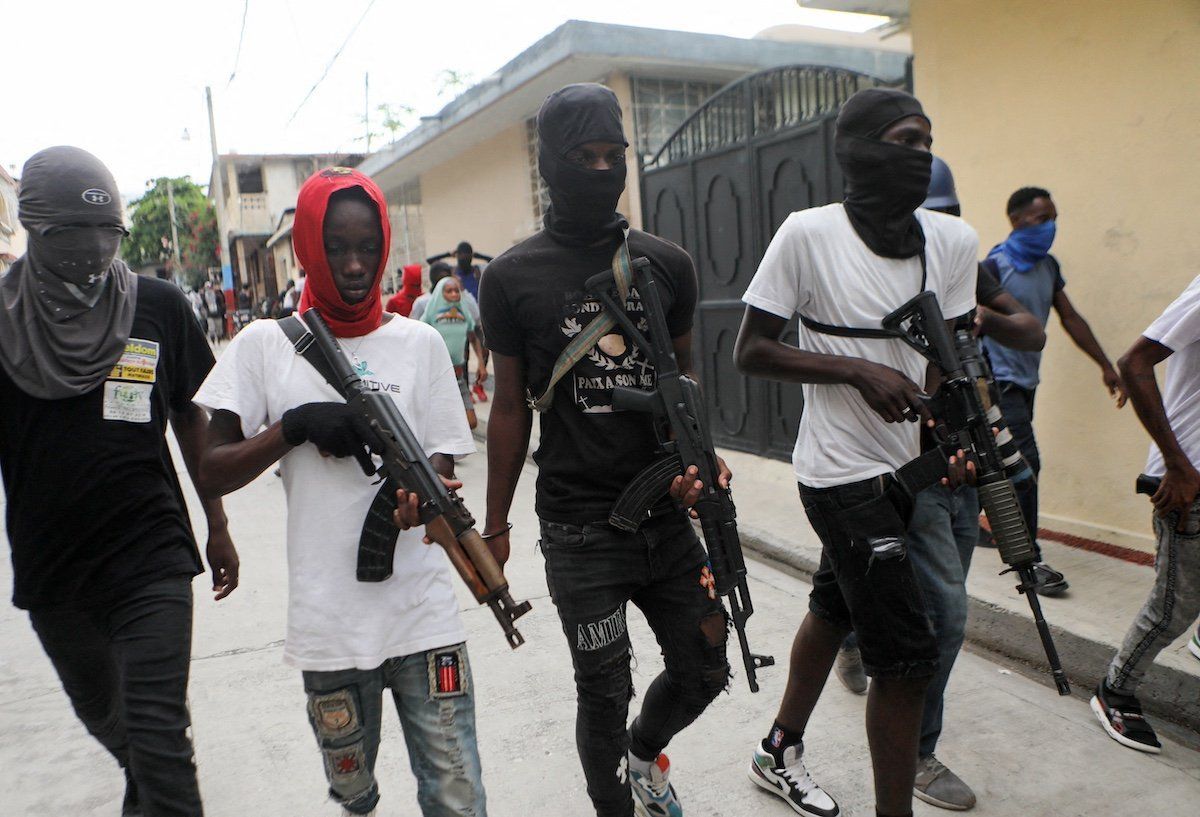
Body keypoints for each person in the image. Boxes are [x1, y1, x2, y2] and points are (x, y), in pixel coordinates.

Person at [194, 167, 485, 817]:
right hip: (330, 626)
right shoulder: (265, 347)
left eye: (367, 248)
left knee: (459, 798)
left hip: (423, 614)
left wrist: (421, 499)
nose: (355, 264)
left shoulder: (421, 343)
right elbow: (211, 469)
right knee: (355, 799)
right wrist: (293, 427)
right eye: (336, 248)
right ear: (308, 248)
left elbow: (436, 459)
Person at [480, 82, 730, 817]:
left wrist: (696, 458)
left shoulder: (667, 264)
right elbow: (506, 409)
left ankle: (643, 750)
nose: (598, 170)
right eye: (580, 156)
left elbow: (685, 376)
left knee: (705, 664)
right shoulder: (510, 277)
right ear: (549, 164)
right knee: (603, 686)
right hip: (578, 526)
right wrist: (495, 527)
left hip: (664, 514)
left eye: (610, 156)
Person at [734, 88, 978, 817]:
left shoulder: (953, 243)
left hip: (909, 471)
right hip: (838, 472)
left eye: (928, 141)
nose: (921, 155)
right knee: (905, 659)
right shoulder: (807, 234)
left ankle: (778, 748)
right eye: (904, 140)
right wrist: (855, 367)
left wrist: (954, 431)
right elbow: (751, 349)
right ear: (859, 150)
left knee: (832, 609)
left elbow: (951, 355)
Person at [0, 146, 239, 817]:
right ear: (33, 229)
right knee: (113, 723)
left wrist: (216, 523)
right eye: (71, 235)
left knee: (162, 735)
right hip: (54, 573)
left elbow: (192, 413)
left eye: (107, 234)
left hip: (152, 555)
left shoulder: (158, 307)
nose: (93, 250)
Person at [831, 155, 1046, 811]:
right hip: (911, 461)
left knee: (914, 590)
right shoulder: (874, 272)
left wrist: (979, 316)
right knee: (946, 614)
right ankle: (919, 750)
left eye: (949, 218)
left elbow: (1031, 331)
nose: (940, 231)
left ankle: (852, 635)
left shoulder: (964, 264)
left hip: (968, 456)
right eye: (932, 217)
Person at [980, 186, 1127, 595]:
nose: (1050, 227)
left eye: (1053, 218)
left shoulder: (1048, 266)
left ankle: (972, 524)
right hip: (997, 382)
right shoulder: (995, 266)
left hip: (1026, 382)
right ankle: (1029, 563)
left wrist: (1104, 364)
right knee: (1026, 465)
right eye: (1041, 219)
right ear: (1016, 220)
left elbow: (1070, 317)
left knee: (996, 457)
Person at [1091, 275, 1200, 754]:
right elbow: (1133, 363)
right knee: (1174, 606)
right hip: (1188, 483)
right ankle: (1114, 690)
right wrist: (1177, 465)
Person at [421, 276, 487, 430]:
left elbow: (473, 338)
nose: (454, 294)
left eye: (456, 291)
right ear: (440, 293)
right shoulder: (430, 315)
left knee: (471, 422)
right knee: (440, 421)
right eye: (449, 291)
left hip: (458, 376)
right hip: (436, 377)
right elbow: (419, 340)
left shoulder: (464, 314)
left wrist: (481, 364)